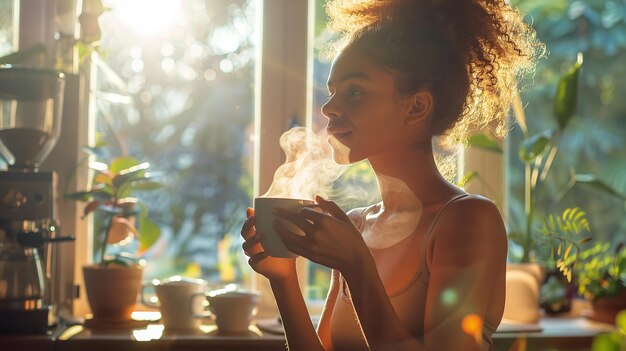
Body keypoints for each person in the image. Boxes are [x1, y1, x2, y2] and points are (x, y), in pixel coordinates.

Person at [241, 0, 543, 350]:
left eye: (354, 91)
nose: (328, 108)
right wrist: (283, 278)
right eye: (332, 92)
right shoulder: (356, 226)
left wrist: (357, 264)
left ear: (416, 107)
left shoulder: (467, 220)